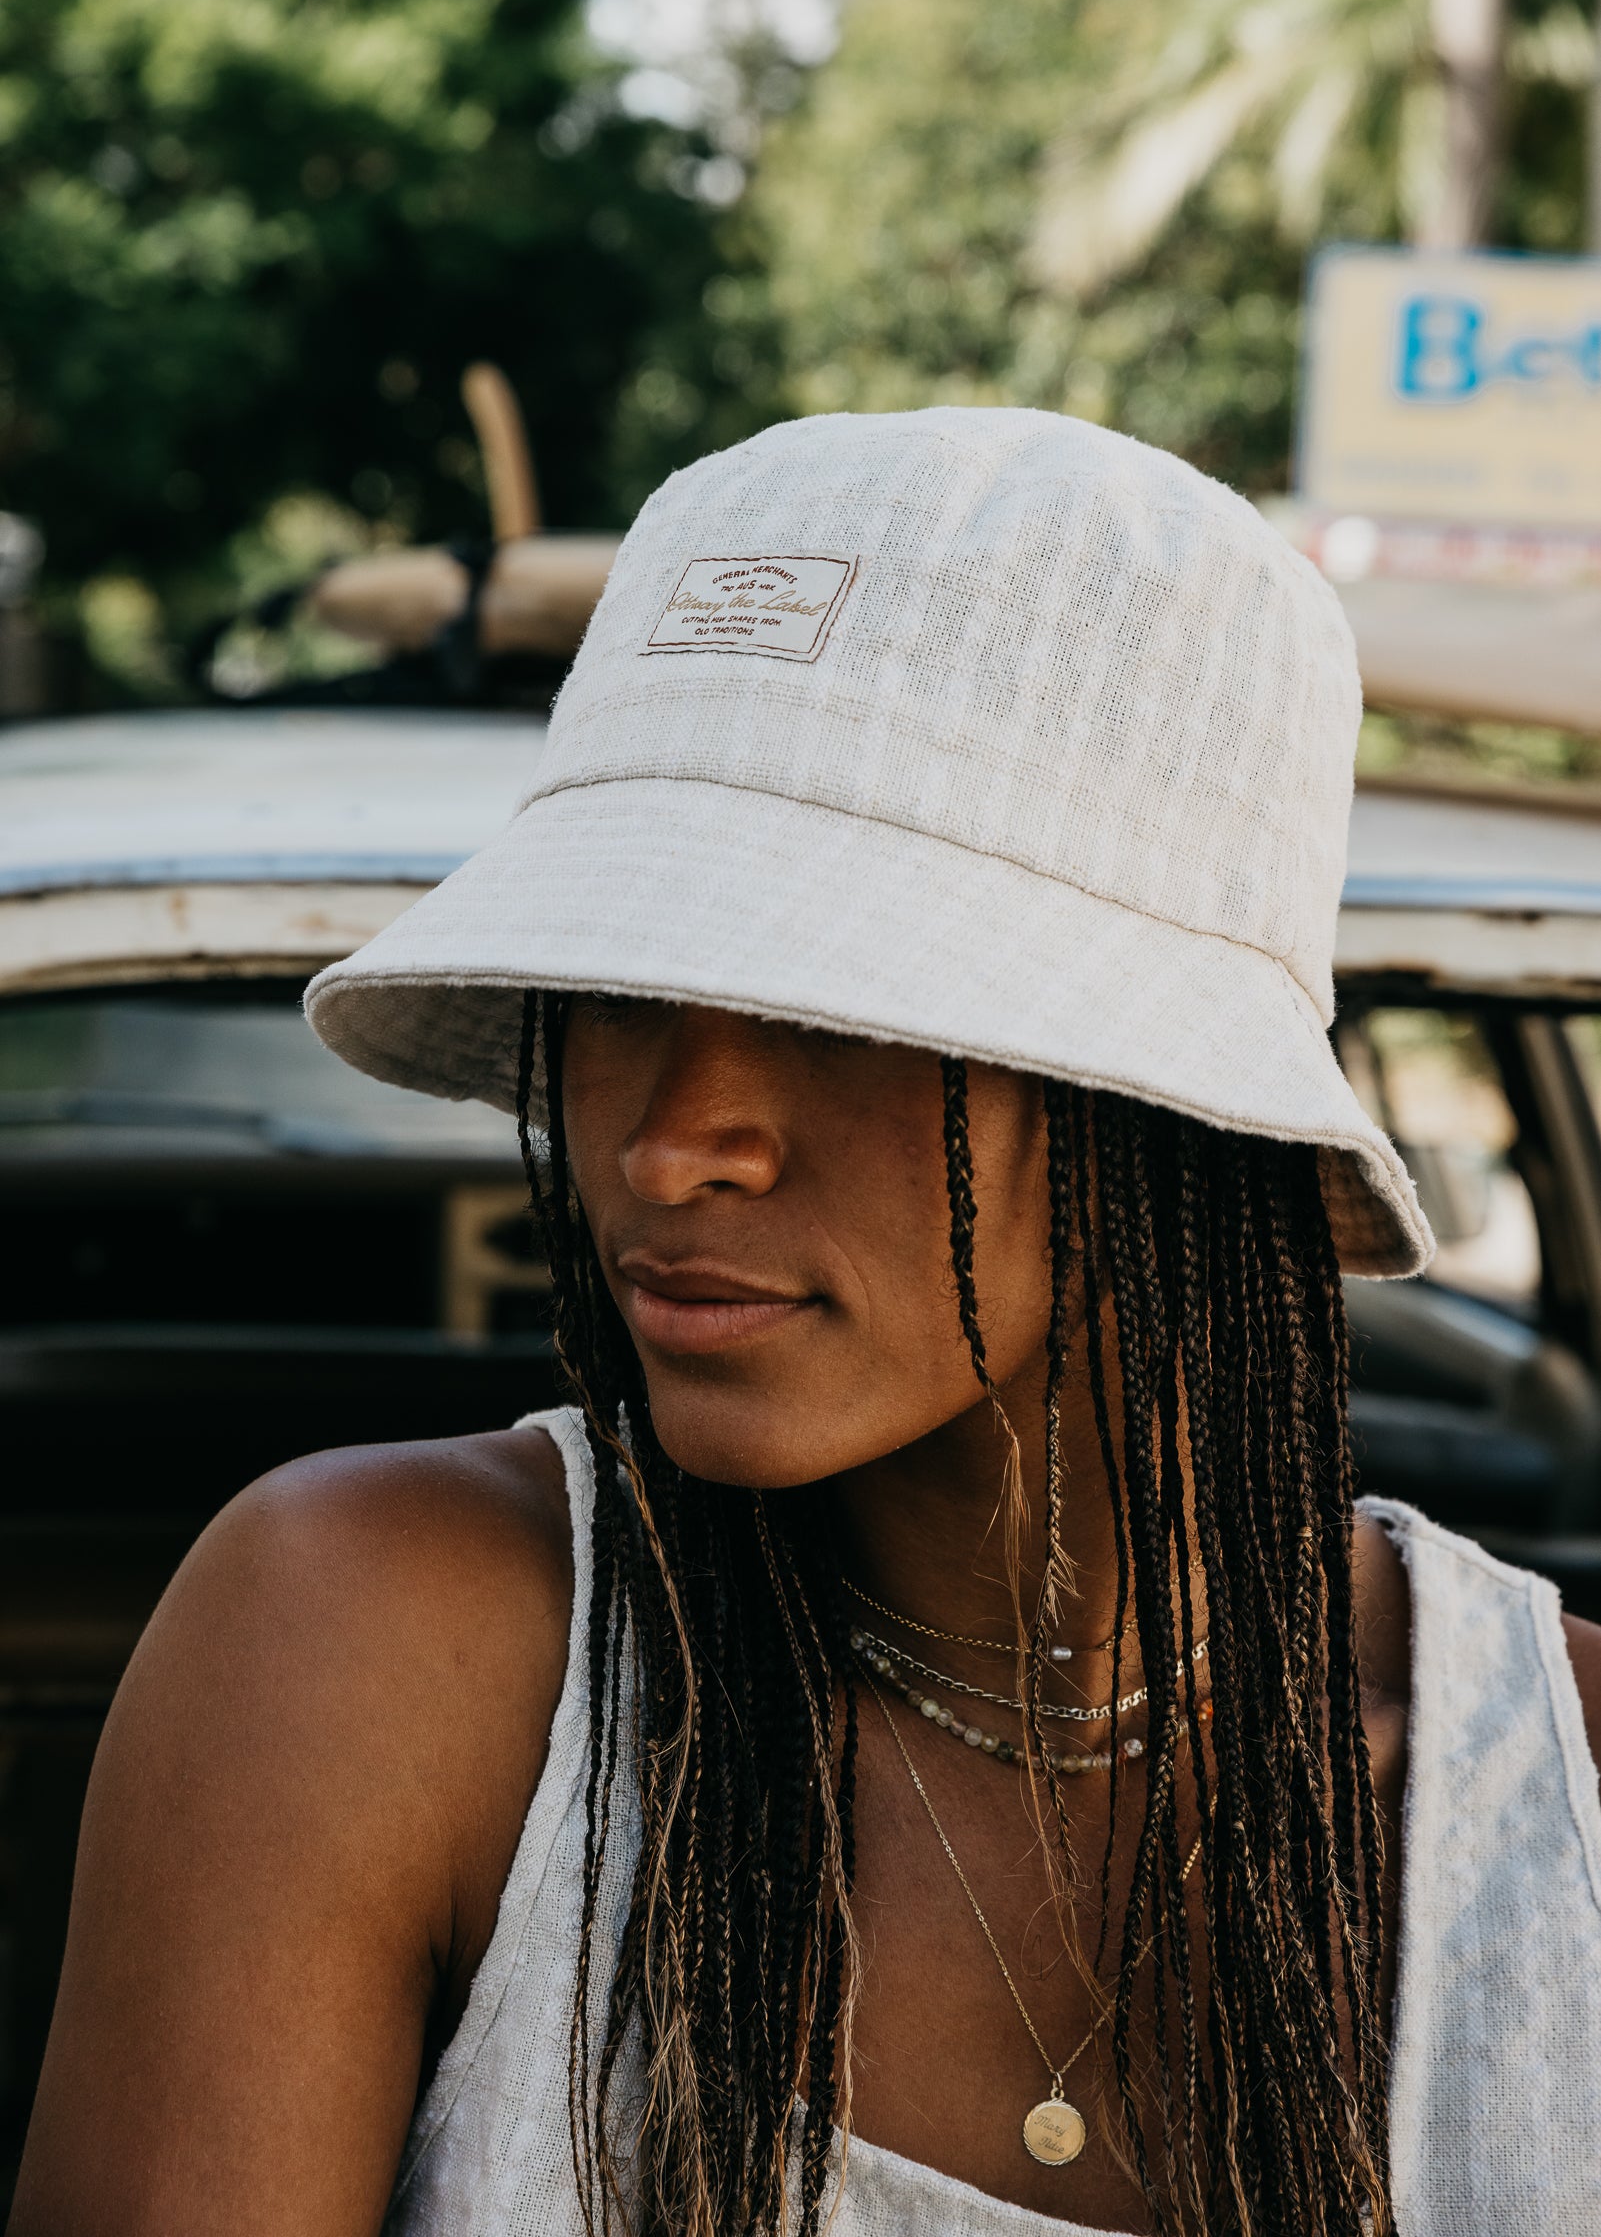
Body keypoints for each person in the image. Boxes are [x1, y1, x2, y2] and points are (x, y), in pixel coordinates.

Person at [12, 409, 1601, 2237]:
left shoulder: (1554, 1812)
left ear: (1157, 1103)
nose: (673, 1142)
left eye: (840, 1013)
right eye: (616, 989)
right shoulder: (381, 1652)